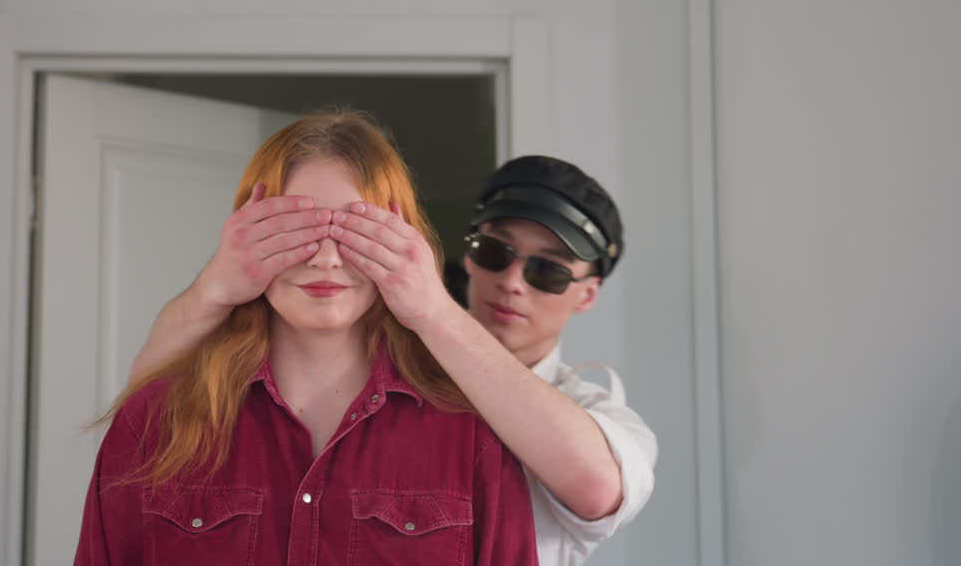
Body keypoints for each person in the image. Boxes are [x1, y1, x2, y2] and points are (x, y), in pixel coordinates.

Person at [132, 147, 656, 566]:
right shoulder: (384, 381)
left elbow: (598, 486)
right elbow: (139, 413)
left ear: (587, 294)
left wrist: (433, 310)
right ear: (470, 255)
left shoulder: (593, 410)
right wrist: (216, 285)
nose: (513, 282)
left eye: (549, 271)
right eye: (495, 252)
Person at [74, 111, 538, 565]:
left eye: (355, 232)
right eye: (298, 230)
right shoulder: (152, 423)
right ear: (245, 235)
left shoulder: (472, 437)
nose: (326, 259)